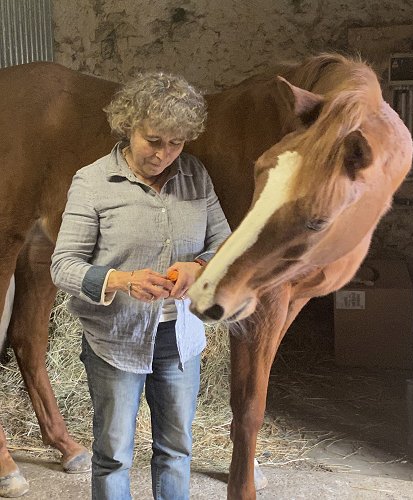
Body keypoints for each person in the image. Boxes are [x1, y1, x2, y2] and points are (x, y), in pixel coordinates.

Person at [50, 71, 231, 500]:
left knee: (176, 449)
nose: (164, 154)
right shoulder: (92, 182)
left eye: (176, 143)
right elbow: (63, 266)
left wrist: (199, 266)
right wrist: (121, 280)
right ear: (128, 125)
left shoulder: (195, 176)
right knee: (113, 453)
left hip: (180, 339)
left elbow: (223, 242)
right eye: (153, 140)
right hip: (115, 341)